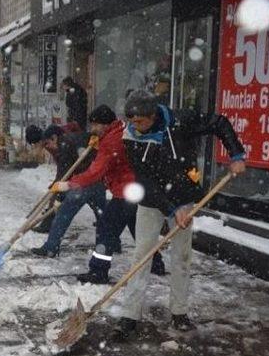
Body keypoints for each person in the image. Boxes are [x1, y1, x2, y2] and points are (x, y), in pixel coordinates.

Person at [111, 90, 246, 341]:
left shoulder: (181, 121)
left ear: (153, 115)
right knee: (142, 254)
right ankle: (130, 314)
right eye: (131, 121)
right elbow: (144, 181)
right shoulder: (130, 137)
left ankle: (180, 313)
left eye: (140, 122)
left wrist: (235, 153)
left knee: (182, 257)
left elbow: (219, 123)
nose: (135, 127)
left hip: (184, 195)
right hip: (151, 200)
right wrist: (171, 209)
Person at [49, 105, 165, 284]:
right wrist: (99, 146)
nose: (92, 129)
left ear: (105, 124)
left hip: (125, 191)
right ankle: (156, 263)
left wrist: (69, 184)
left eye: (95, 125)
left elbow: (95, 172)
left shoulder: (110, 142)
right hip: (136, 190)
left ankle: (98, 271)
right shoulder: (120, 131)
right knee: (139, 230)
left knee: (106, 229)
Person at [26, 123, 94, 235]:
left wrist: (58, 182)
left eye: (35, 144)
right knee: (94, 199)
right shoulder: (53, 139)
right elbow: (62, 164)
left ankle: (47, 226)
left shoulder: (56, 141)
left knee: (61, 196)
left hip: (81, 168)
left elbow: (64, 164)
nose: (35, 147)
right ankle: (106, 220)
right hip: (75, 167)